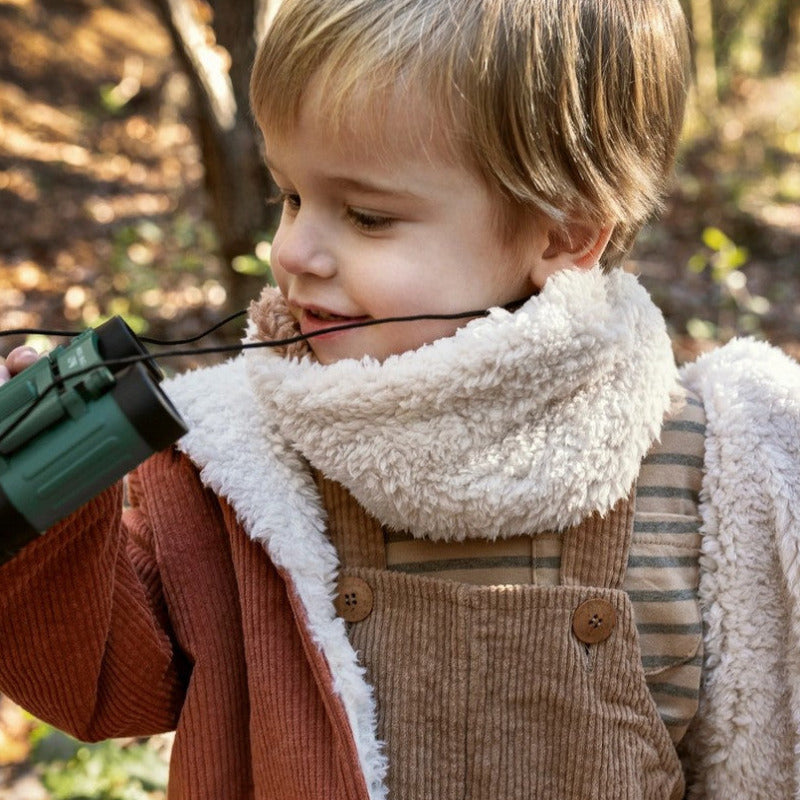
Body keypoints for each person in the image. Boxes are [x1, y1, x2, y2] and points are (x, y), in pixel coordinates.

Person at [1, 0, 799, 798]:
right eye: (289, 196)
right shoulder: (238, 470)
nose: (291, 251)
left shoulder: (710, 482)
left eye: (367, 216)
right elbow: (105, 678)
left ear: (561, 235)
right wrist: (44, 506)